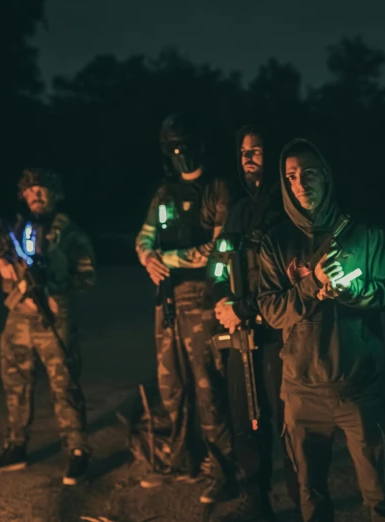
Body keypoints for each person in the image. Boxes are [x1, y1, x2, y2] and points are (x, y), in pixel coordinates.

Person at [257, 138, 385, 522]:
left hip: (360, 387)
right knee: (312, 496)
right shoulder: (276, 242)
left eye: (308, 173)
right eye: (291, 176)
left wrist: (359, 291)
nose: (300, 182)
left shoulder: (365, 232)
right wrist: (311, 285)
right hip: (302, 391)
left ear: (325, 175)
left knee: (381, 496)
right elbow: (272, 311)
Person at [134, 111, 238, 504]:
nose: (180, 153)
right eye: (172, 146)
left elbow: (218, 247)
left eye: (185, 144)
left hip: (203, 301)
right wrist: (148, 259)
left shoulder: (217, 189)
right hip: (168, 303)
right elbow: (143, 239)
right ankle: (183, 461)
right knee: (172, 387)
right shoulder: (164, 192)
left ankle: (224, 470)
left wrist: (169, 258)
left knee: (208, 386)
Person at [0, 168, 95, 486]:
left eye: (43, 189)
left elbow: (87, 275)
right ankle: (15, 447)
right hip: (18, 318)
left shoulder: (69, 232)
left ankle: (78, 451)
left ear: (56, 194)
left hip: (54, 316)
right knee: (15, 385)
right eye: (30, 190)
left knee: (65, 386)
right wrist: (3, 267)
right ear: (23, 196)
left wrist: (57, 288)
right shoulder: (13, 230)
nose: (36, 194)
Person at [208, 124, 300, 520]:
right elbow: (217, 265)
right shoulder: (239, 211)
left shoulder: (290, 207)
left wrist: (247, 306)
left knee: (290, 427)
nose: (248, 159)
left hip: (282, 336)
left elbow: (293, 280)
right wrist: (222, 302)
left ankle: (303, 505)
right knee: (247, 421)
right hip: (240, 334)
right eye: (243, 152)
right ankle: (255, 502)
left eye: (257, 151)